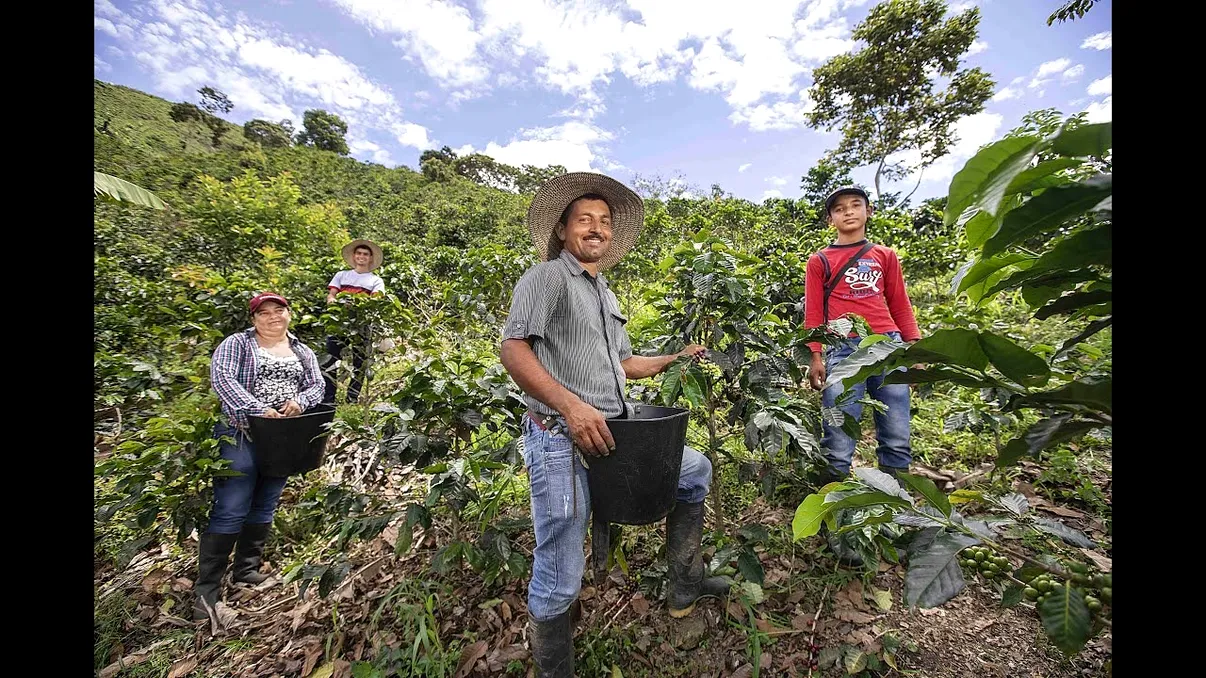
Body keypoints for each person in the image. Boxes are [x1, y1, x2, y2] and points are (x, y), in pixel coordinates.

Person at [499, 172, 729, 677]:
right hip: (560, 435)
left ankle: (684, 582)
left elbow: (624, 363)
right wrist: (571, 406)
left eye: (604, 221)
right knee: (561, 552)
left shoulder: (604, 292)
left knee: (693, 472)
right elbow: (513, 348)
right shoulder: (547, 279)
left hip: (615, 432)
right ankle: (554, 663)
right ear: (563, 230)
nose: (596, 228)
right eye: (585, 219)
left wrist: (674, 357)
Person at [804, 187, 922, 562]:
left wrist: (914, 348)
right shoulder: (819, 260)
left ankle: (896, 517)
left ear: (868, 212)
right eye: (839, 209)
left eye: (855, 206)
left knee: (897, 431)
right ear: (831, 219)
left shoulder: (884, 256)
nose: (848, 213)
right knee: (838, 432)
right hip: (842, 346)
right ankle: (833, 518)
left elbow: (899, 304)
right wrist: (816, 355)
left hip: (887, 346)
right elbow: (814, 314)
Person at [197, 292, 326, 622]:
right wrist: (257, 409)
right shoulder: (237, 345)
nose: (272, 317)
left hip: (282, 437)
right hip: (240, 431)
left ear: (289, 314)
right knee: (232, 504)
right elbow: (223, 379)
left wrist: (300, 401)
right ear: (254, 319)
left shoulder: (302, 350)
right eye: (264, 313)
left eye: (278, 310)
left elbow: (317, 386)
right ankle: (207, 590)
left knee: (266, 500)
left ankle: (246, 569)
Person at [323, 239, 386, 404]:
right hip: (339, 322)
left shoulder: (375, 280)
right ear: (354, 256)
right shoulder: (342, 275)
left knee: (360, 363)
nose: (362, 257)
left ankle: (352, 397)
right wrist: (334, 303)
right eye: (359, 253)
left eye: (365, 254)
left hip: (362, 324)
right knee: (330, 359)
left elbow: (376, 301)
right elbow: (332, 295)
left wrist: (358, 305)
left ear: (370, 258)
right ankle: (328, 398)